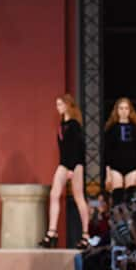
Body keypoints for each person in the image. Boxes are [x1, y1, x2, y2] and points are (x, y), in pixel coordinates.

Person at [40, 94, 89, 249]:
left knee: (79, 197)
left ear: (68, 105)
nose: (58, 107)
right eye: (57, 104)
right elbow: (64, 149)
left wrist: (73, 168)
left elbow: (79, 148)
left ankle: (86, 235)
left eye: (60, 104)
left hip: (75, 165)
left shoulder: (74, 125)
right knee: (54, 194)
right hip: (64, 163)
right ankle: (52, 232)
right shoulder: (62, 124)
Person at [104, 97, 136, 191]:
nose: (123, 111)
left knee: (131, 197)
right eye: (121, 108)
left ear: (130, 110)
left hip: (132, 167)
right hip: (115, 168)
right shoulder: (111, 128)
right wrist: (108, 174)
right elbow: (107, 152)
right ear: (117, 110)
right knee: (117, 196)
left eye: (126, 108)